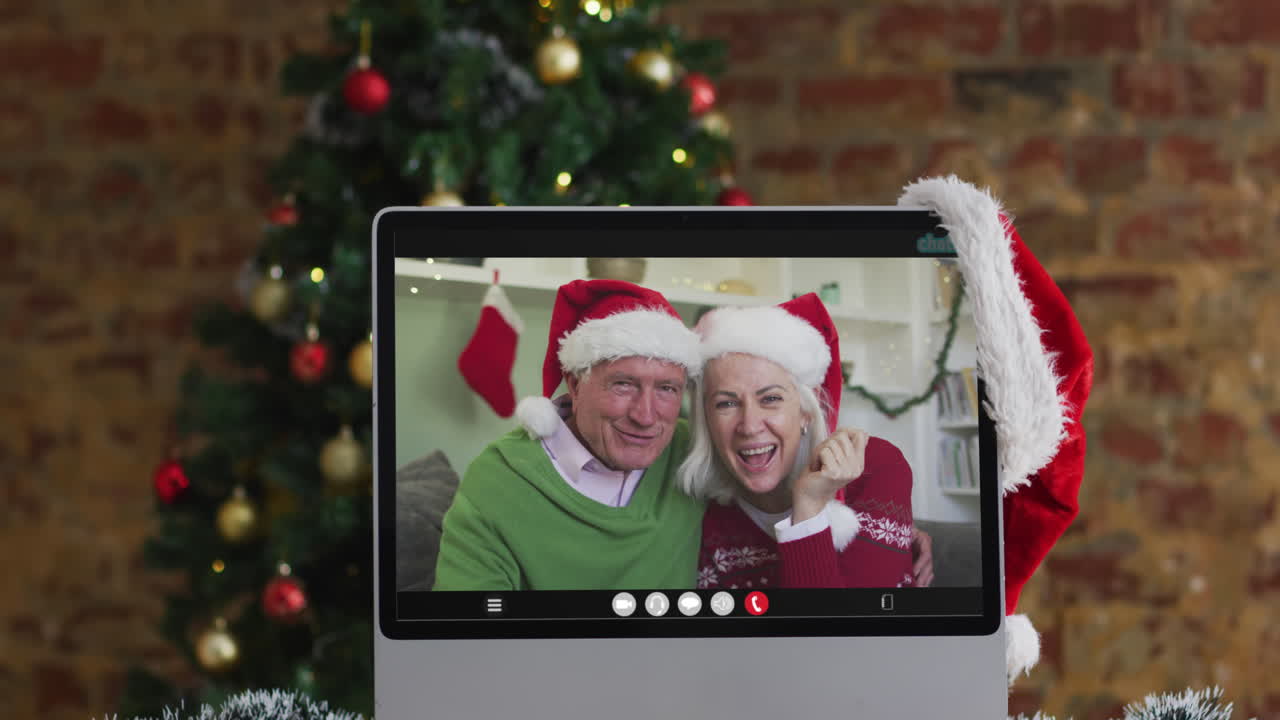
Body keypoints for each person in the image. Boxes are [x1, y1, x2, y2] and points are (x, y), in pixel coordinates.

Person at [432, 279, 706, 590]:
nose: (645, 416)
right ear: (575, 385)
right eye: (623, 384)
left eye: (667, 389)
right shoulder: (498, 479)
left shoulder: (692, 452)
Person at [678, 293, 918, 589]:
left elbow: (844, 632)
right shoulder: (702, 509)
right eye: (726, 404)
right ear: (706, 419)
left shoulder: (874, 467)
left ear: (806, 409)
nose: (750, 426)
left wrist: (808, 506)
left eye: (771, 399)